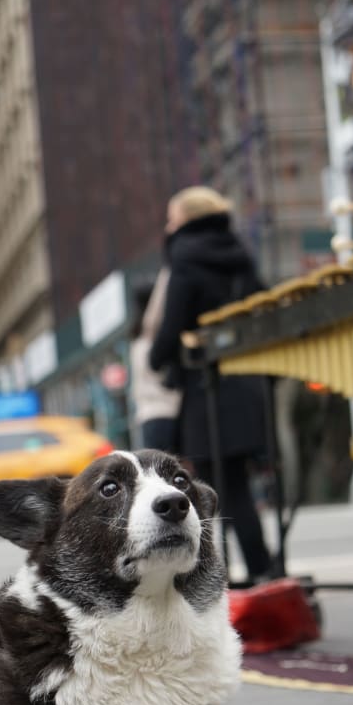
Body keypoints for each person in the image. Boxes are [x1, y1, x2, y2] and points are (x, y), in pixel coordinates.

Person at [149, 186, 273, 584]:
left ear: (185, 220)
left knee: (205, 492)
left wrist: (157, 357)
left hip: (205, 390)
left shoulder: (184, 259)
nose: (168, 226)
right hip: (245, 382)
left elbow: (170, 331)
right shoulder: (240, 256)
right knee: (238, 489)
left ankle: (210, 580)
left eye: (171, 218)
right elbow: (263, 309)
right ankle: (263, 574)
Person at [128, 271, 182, 452]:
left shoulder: (136, 341)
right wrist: (167, 274)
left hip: (148, 417)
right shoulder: (149, 337)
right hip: (164, 413)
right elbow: (155, 313)